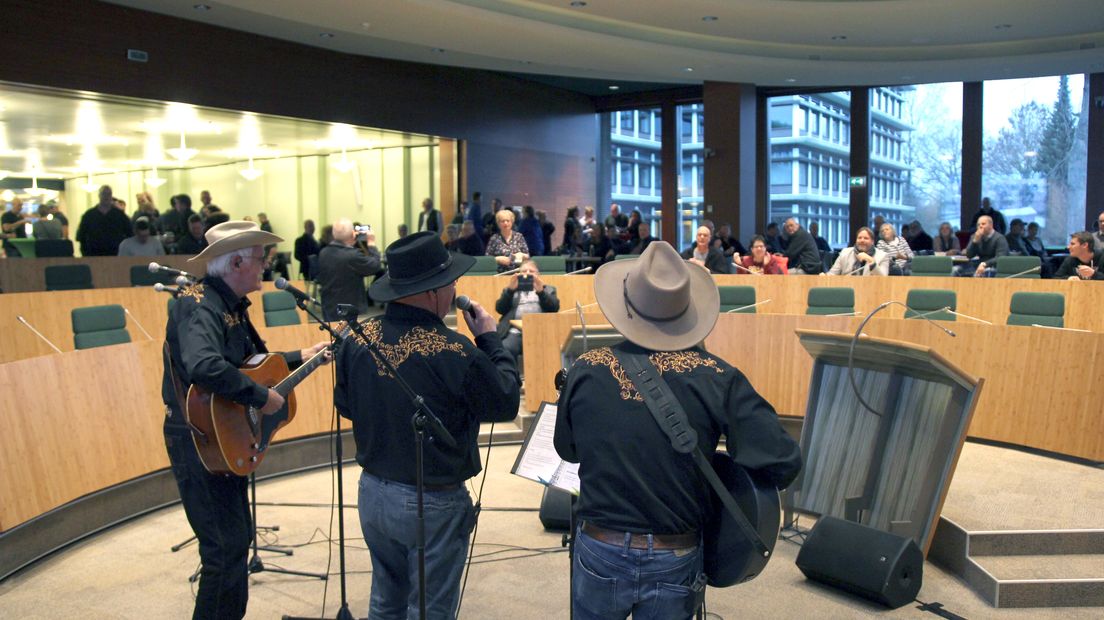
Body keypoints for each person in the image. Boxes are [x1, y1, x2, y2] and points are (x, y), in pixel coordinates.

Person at [553, 241, 802, 620]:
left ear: (627, 307)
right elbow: (784, 461)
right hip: (676, 551)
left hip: (600, 546)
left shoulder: (586, 368)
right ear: (686, 312)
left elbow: (567, 450)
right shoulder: (720, 377)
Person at [334, 231, 519, 618]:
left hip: (372, 491)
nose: (454, 289)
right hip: (431, 501)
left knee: (386, 602)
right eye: (451, 282)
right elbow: (504, 402)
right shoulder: (456, 350)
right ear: (434, 291)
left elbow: (348, 407)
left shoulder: (357, 338)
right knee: (429, 611)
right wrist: (489, 339)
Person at [161, 220, 329, 620]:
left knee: (236, 542)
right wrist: (259, 397)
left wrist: (298, 357)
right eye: (259, 259)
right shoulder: (197, 302)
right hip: (198, 437)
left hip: (222, 434)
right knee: (222, 550)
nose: (265, 267)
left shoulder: (230, 305)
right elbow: (204, 365)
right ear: (236, 262)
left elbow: (249, 365)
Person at [495, 259, 559, 372]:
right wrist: (510, 291)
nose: (528, 273)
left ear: (538, 275)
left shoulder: (548, 289)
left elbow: (554, 308)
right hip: (516, 332)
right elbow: (500, 309)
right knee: (506, 347)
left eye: (532, 271)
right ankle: (512, 381)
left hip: (541, 332)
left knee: (551, 349)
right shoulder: (510, 290)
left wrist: (541, 292)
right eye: (524, 271)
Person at [317, 218, 382, 322]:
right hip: (350, 310)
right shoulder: (352, 256)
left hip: (330, 308)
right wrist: (371, 243)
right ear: (353, 234)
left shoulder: (323, 253)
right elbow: (375, 266)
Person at [76, 185, 133, 256]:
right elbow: (82, 236)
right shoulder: (89, 215)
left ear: (111, 196)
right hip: (93, 255)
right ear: (99, 195)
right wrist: (85, 253)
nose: (106, 196)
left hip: (116, 255)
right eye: (104, 194)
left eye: (108, 194)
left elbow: (130, 234)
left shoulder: (120, 215)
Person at [486, 208, 529, 273]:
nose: (505, 223)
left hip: (517, 273)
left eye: (508, 221)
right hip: (499, 274)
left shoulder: (519, 237)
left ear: (512, 222)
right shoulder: (494, 238)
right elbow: (487, 259)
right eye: (502, 221)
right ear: (498, 223)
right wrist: (497, 259)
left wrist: (522, 255)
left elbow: (528, 256)